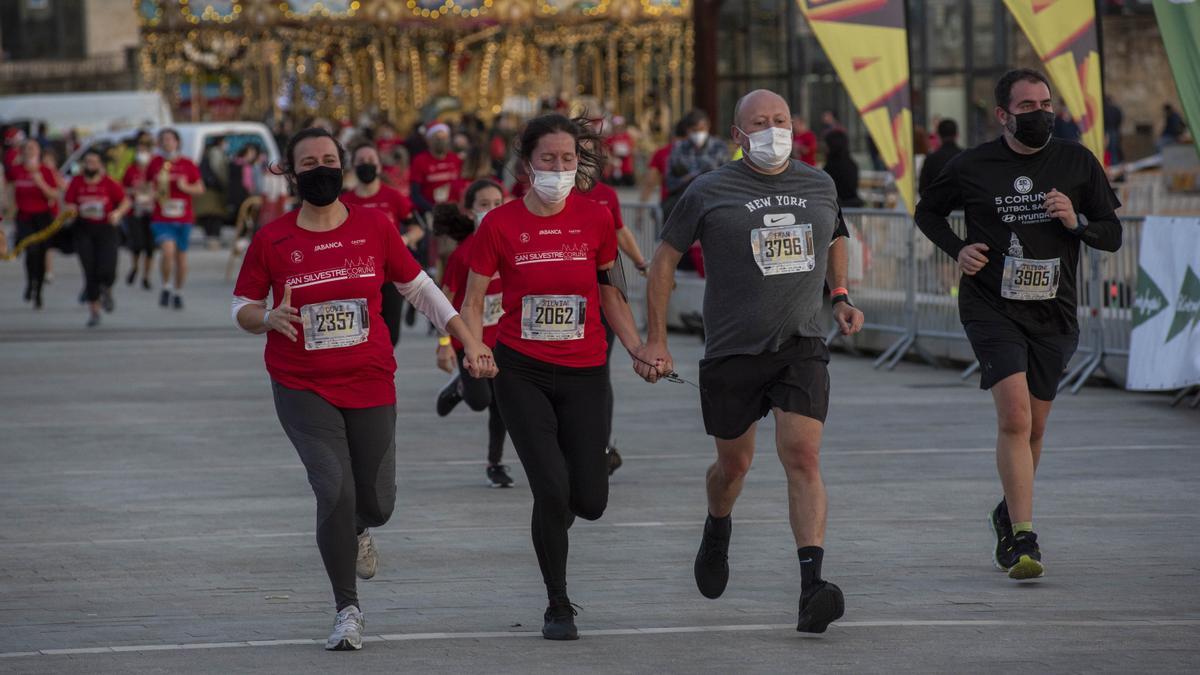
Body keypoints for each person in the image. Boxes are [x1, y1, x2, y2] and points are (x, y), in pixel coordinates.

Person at [232, 127, 495, 651]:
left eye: (329, 160)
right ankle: (347, 609)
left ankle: (361, 528)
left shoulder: (375, 226)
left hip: (370, 379)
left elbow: (421, 289)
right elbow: (239, 307)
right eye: (309, 162)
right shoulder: (274, 238)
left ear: (344, 165)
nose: (321, 169)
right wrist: (267, 316)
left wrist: (468, 341)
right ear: (290, 172)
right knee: (333, 489)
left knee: (376, 502)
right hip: (301, 383)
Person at [643, 89, 864, 634]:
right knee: (733, 466)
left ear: (795, 124)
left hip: (801, 343)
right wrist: (655, 338)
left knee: (802, 456)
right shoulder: (709, 189)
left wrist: (840, 294)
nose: (773, 130)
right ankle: (718, 524)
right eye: (759, 123)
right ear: (738, 136)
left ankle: (813, 585)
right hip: (731, 349)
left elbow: (837, 233)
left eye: (781, 120)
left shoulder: (819, 182)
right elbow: (663, 261)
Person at [915, 69, 1122, 580]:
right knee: (1014, 417)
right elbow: (927, 213)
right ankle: (1022, 537)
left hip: (1054, 310)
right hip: (991, 306)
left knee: (1036, 425)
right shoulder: (972, 165)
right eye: (1027, 106)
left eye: (1046, 103)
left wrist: (1075, 222)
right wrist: (957, 249)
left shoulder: (1076, 160)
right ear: (1003, 115)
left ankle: (1006, 512)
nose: (1040, 114)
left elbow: (1112, 234)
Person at [460, 113, 657, 640]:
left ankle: (556, 521)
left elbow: (610, 292)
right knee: (550, 489)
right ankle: (558, 604)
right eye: (548, 159)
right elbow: (474, 300)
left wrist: (638, 348)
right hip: (520, 370)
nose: (559, 167)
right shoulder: (498, 224)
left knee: (588, 501)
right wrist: (474, 346)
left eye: (568, 159)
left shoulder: (595, 218)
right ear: (527, 164)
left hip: (586, 370)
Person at [432, 179, 513, 487]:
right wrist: (444, 345)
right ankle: (459, 388)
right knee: (480, 401)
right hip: (471, 342)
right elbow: (443, 300)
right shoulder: (463, 256)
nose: (492, 210)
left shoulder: (514, 245)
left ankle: (495, 463)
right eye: (484, 205)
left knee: (501, 407)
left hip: (506, 343)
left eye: (498, 203)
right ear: (469, 212)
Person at [340, 142, 423, 347]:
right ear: (353, 166)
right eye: (361, 161)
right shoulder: (343, 201)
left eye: (371, 161)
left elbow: (418, 229)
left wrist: (402, 240)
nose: (366, 165)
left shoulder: (393, 197)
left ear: (379, 166)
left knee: (391, 335)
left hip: (389, 276)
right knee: (360, 333)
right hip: (355, 276)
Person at [65, 149, 131, 327]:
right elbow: (69, 202)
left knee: (107, 269)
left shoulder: (109, 183)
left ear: (101, 165)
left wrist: (117, 213)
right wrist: (71, 212)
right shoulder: (76, 182)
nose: (90, 165)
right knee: (90, 271)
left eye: (94, 162)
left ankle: (107, 289)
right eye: (87, 162)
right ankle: (94, 311)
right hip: (84, 229)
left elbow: (125, 201)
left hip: (106, 229)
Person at [147, 128, 204, 310]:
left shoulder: (188, 164)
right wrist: (150, 194)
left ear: (177, 142)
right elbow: (146, 186)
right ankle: (165, 285)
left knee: (181, 258)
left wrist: (186, 187)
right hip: (161, 216)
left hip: (183, 216)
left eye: (170, 139)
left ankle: (178, 292)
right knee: (167, 250)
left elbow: (200, 189)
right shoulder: (154, 163)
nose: (167, 143)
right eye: (163, 139)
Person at [5, 139, 62, 309]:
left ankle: (39, 291)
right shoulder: (17, 170)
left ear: (38, 152)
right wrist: (7, 204)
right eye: (26, 149)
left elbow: (54, 195)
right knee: (31, 251)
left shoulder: (45, 171)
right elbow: (7, 185)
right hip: (24, 217)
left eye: (33, 149)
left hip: (43, 216)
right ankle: (30, 283)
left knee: (42, 253)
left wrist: (40, 183)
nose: (29, 152)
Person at [664, 109, 729, 218]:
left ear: (708, 127)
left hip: (714, 206)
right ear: (687, 130)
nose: (698, 134)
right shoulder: (678, 148)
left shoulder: (719, 147)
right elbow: (669, 182)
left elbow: (727, 179)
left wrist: (692, 177)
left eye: (701, 129)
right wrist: (687, 179)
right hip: (683, 208)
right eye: (694, 130)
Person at [122, 132, 157, 290]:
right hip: (134, 211)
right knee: (137, 243)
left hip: (152, 211)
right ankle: (135, 267)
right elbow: (122, 188)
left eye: (144, 151)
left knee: (150, 246)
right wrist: (132, 190)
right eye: (139, 151)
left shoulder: (155, 169)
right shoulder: (130, 170)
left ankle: (146, 276)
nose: (141, 154)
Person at [409, 122, 463, 213]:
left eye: (444, 138)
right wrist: (434, 209)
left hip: (455, 211)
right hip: (430, 212)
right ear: (428, 140)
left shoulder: (455, 159)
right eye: (437, 138)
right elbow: (415, 194)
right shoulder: (419, 161)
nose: (441, 141)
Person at [641, 119, 685, 202]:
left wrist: (641, 209)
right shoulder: (701, 153)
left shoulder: (661, 153)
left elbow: (650, 181)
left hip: (669, 202)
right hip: (694, 203)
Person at [919, 118, 963, 198]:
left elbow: (923, 189)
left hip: (937, 208)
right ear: (957, 135)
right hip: (964, 208)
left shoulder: (931, 159)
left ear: (938, 135)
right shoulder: (966, 157)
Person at [823, 130, 864, 208]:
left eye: (827, 145)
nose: (825, 149)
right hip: (854, 208)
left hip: (837, 208)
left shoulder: (830, 167)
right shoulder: (852, 164)